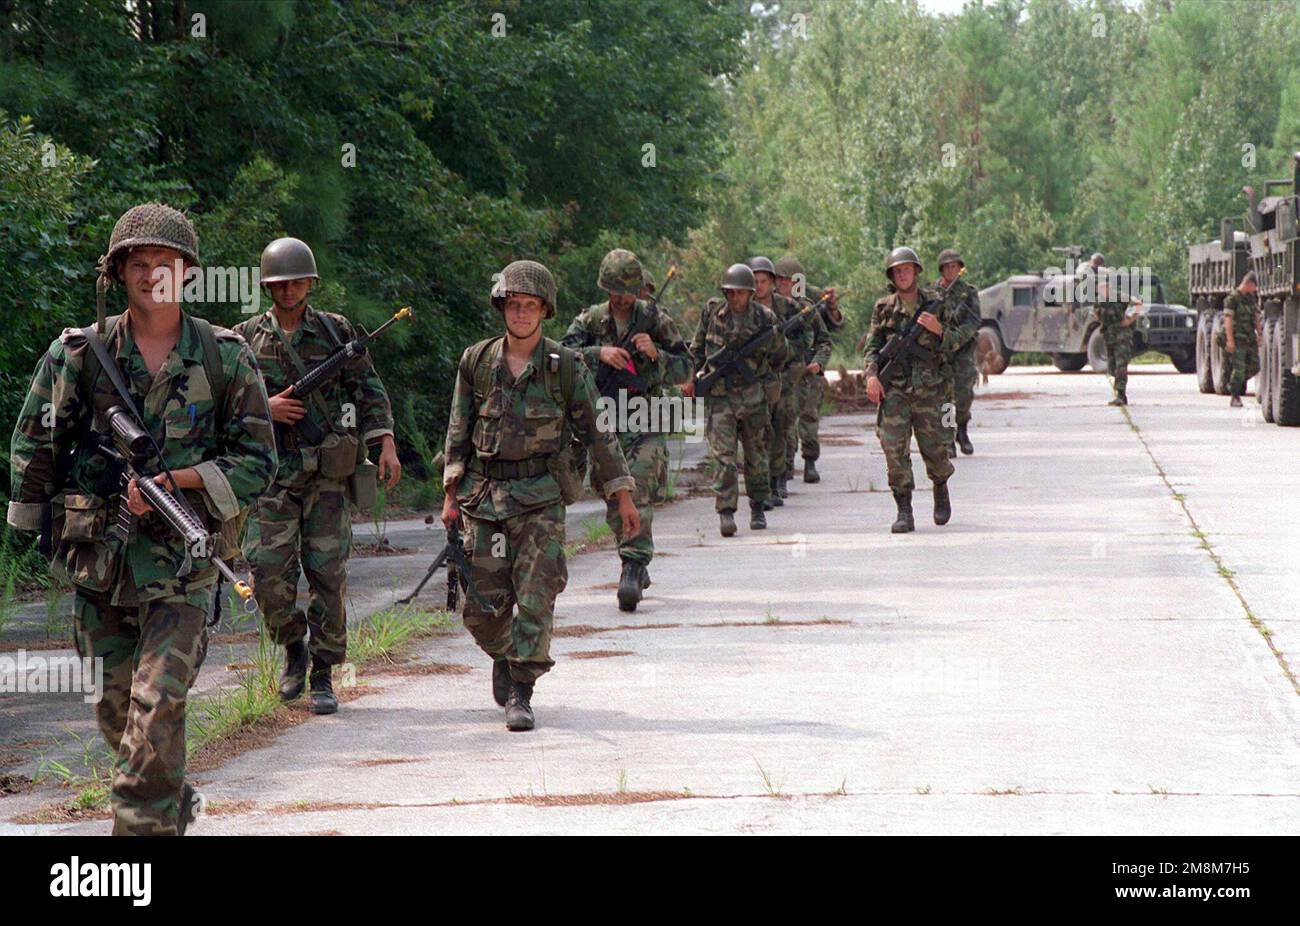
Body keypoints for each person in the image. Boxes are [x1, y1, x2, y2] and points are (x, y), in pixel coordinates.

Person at [7, 203, 276, 834]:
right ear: (119, 273)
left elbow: (259, 464)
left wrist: (177, 482)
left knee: (156, 707)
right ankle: (168, 799)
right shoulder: (79, 354)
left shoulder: (225, 357)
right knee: (117, 712)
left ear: (187, 274)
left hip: (183, 567)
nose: (153, 273)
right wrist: (48, 520)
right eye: (139, 262)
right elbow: (34, 445)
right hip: (100, 562)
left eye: (167, 263)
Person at [442, 260, 639, 731]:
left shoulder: (564, 367)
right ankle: (508, 654)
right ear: (502, 308)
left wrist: (622, 495)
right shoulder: (477, 361)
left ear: (544, 310)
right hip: (485, 500)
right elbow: (457, 432)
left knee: (535, 595)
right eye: (514, 305)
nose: (522, 313)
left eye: (530, 306)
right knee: (481, 607)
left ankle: (522, 690)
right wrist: (450, 492)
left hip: (541, 501)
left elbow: (599, 433)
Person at [234, 237, 401, 715]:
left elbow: (369, 389)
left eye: (297, 281)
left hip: (326, 475)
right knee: (267, 575)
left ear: (310, 282)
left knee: (328, 575)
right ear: (268, 285)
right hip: (270, 476)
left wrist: (384, 442)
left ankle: (324, 673)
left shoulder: (335, 332)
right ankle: (294, 648)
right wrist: (266, 408)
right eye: (279, 283)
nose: (288, 290)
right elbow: (223, 402)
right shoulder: (243, 338)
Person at [561, 249, 691, 611]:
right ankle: (631, 554)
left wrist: (656, 356)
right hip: (603, 417)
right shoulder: (589, 320)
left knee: (639, 485)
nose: (620, 298)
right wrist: (597, 353)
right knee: (612, 494)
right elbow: (557, 358)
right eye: (613, 290)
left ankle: (633, 566)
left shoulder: (655, 319)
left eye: (626, 290)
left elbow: (686, 367)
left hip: (645, 414)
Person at [684, 263, 785, 535]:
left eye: (739, 293)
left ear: (750, 293)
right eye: (729, 292)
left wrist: (762, 360)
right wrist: (693, 376)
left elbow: (779, 357)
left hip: (753, 397)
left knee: (756, 455)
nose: (734, 298)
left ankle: (758, 506)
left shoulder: (765, 319)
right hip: (720, 397)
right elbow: (697, 349)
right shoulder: (712, 314)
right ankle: (726, 511)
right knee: (723, 458)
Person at [862, 247, 955, 533]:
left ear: (916, 271)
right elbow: (872, 348)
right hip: (896, 391)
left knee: (936, 448)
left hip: (930, 390)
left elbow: (959, 343)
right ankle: (904, 509)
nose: (902, 274)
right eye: (897, 271)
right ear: (892, 276)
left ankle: (940, 486)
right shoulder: (884, 308)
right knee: (893, 448)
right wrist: (871, 376)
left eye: (906, 269)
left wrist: (940, 331)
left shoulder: (936, 303)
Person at [773, 256, 833, 483]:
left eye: (788, 280)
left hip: (807, 374)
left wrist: (818, 362)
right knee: (784, 422)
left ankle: (809, 461)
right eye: (779, 279)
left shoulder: (808, 308)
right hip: (783, 373)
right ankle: (784, 467)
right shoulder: (768, 308)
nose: (783, 284)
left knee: (809, 418)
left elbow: (825, 340)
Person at [748, 256, 794, 507]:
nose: (758, 286)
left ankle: (777, 480)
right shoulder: (742, 308)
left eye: (763, 281)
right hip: (749, 383)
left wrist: (788, 360)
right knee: (757, 435)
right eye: (754, 281)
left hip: (779, 379)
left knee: (778, 431)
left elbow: (807, 337)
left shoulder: (787, 308)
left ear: (772, 282)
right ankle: (761, 486)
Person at [933, 248, 981, 456]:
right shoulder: (933, 293)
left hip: (962, 351)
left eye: (955, 266)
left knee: (963, 395)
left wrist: (958, 338)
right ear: (941, 269)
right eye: (947, 267)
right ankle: (947, 438)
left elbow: (974, 321)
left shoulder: (968, 292)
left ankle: (962, 430)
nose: (951, 270)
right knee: (943, 398)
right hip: (940, 351)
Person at [1223, 271, 1261, 408]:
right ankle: (1235, 395)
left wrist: (1260, 333)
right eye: (1254, 286)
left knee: (1255, 366)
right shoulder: (1232, 299)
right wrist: (1230, 340)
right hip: (1237, 338)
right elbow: (1228, 320)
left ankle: (1233, 383)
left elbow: (1256, 316)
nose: (1255, 290)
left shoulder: (1250, 298)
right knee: (1238, 368)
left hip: (1249, 338)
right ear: (1249, 284)